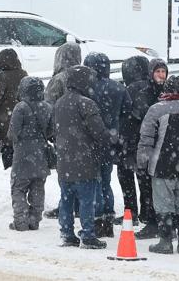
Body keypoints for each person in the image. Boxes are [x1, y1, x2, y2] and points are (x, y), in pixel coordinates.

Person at [137, 75, 179, 255]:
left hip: (162, 167)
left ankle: (165, 242)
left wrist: (142, 162)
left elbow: (146, 140)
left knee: (163, 206)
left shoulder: (155, 110)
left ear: (165, 90)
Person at [53, 65, 110, 250]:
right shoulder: (86, 103)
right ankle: (87, 235)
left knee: (66, 200)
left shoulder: (59, 103)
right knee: (87, 200)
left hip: (64, 160)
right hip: (84, 160)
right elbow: (99, 132)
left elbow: (52, 130)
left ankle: (67, 234)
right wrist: (107, 141)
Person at [85, 51, 129, 237]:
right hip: (111, 139)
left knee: (94, 181)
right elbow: (127, 110)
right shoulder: (118, 88)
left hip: (91, 140)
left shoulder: (87, 87)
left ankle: (98, 219)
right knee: (106, 181)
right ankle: (108, 218)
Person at [7, 76, 54, 231]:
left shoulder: (21, 107)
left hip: (22, 154)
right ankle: (34, 220)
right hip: (41, 153)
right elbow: (51, 131)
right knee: (38, 187)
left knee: (18, 187)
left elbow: (12, 132)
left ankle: (20, 221)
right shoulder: (47, 107)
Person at [129, 58, 166, 237]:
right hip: (148, 145)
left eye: (163, 72)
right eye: (158, 71)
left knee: (161, 187)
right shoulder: (144, 93)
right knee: (147, 186)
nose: (161, 75)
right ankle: (151, 220)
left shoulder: (169, 92)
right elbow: (139, 119)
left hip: (165, 147)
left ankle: (160, 222)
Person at [0, 48, 25, 146]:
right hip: (21, 121)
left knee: (8, 151)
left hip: (5, 121)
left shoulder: (2, 77)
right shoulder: (24, 74)